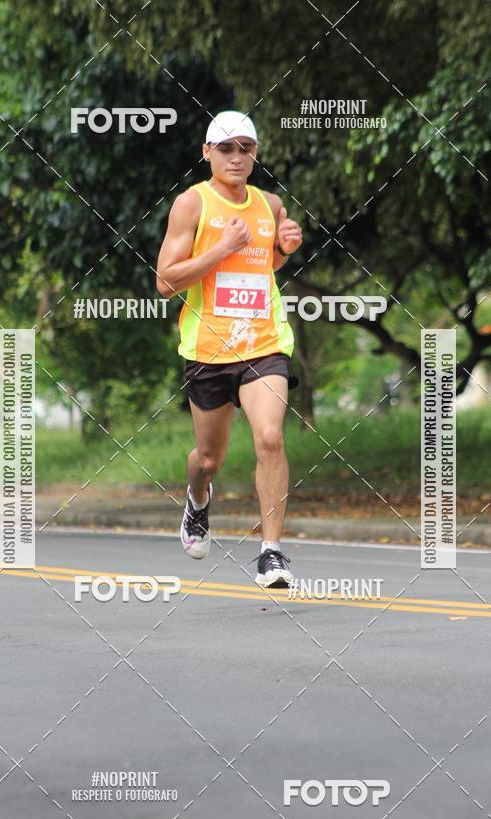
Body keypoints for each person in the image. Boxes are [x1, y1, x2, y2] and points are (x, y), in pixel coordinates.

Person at [156, 110, 303, 587]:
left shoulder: (271, 205)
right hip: (208, 351)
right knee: (208, 458)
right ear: (207, 153)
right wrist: (219, 248)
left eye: (246, 147)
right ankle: (198, 499)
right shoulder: (191, 205)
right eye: (226, 148)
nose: (237, 157)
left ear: (256, 153)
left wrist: (284, 248)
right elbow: (164, 281)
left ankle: (272, 552)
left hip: (264, 344)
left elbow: (265, 267)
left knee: (270, 437)